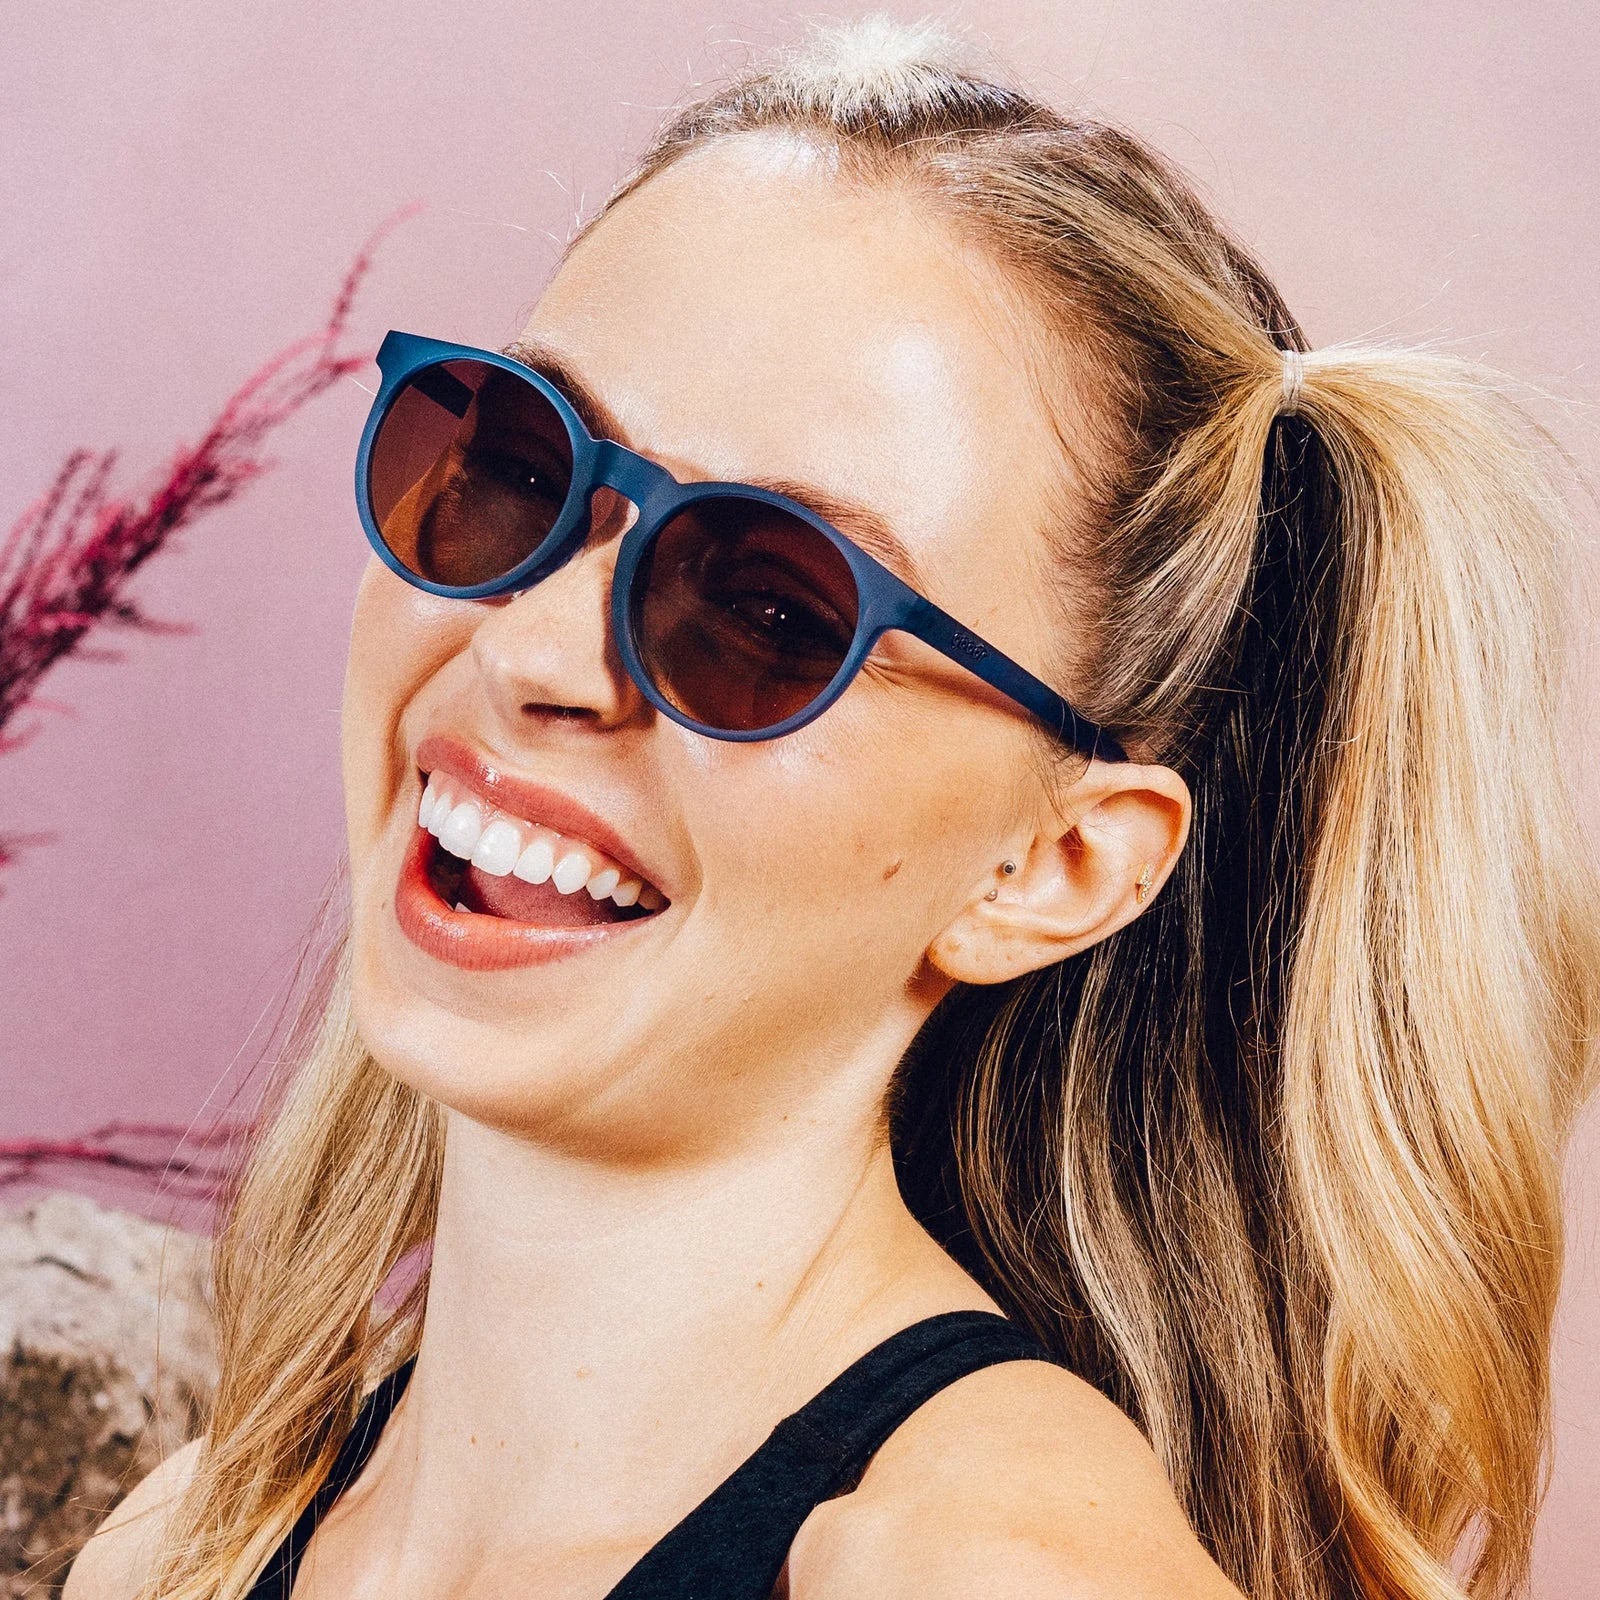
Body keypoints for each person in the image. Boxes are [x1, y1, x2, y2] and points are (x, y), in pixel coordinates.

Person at [66, 17, 1598, 1600]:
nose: (530, 652)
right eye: (522, 468)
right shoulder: (176, 1553)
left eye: (774, 612)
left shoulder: (991, 1577)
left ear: (1052, 866)